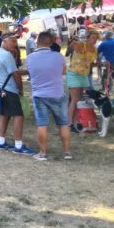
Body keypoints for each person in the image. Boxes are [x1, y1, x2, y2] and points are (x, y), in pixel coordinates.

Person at [26, 32, 72, 161]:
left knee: (42, 125)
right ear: (51, 43)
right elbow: (63, 72)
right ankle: (67, 152)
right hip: (57, 93)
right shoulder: (59, 57)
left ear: (37, 42)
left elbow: (31, 73)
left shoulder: (30, 58)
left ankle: (43, 153)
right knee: (63, 124)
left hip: (39, 94)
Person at [0, 34, 35, 155]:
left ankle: (0, 142)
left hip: (1, 88)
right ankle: (18, 146)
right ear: (4, 41)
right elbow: (15, 74)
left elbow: (7, 71)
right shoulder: (7, 55)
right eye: (12, 41)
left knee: (5, 115)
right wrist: (20, 89)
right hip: (10, 89)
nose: (15, 44)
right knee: (18, 116)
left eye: (16, 41)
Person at [66, 29, 100, 133]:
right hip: (74, 74)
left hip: (84, 75)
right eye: (93, 37)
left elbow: (91, 63)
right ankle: (70, 124)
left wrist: (100, 64)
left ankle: (78, 121)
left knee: (80, 99)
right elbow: (71, 46)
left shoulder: (95, 49)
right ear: (88, 37)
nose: (95, 40)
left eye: (96, 38)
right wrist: (74, 45)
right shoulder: (82, 44)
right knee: (75, 99)